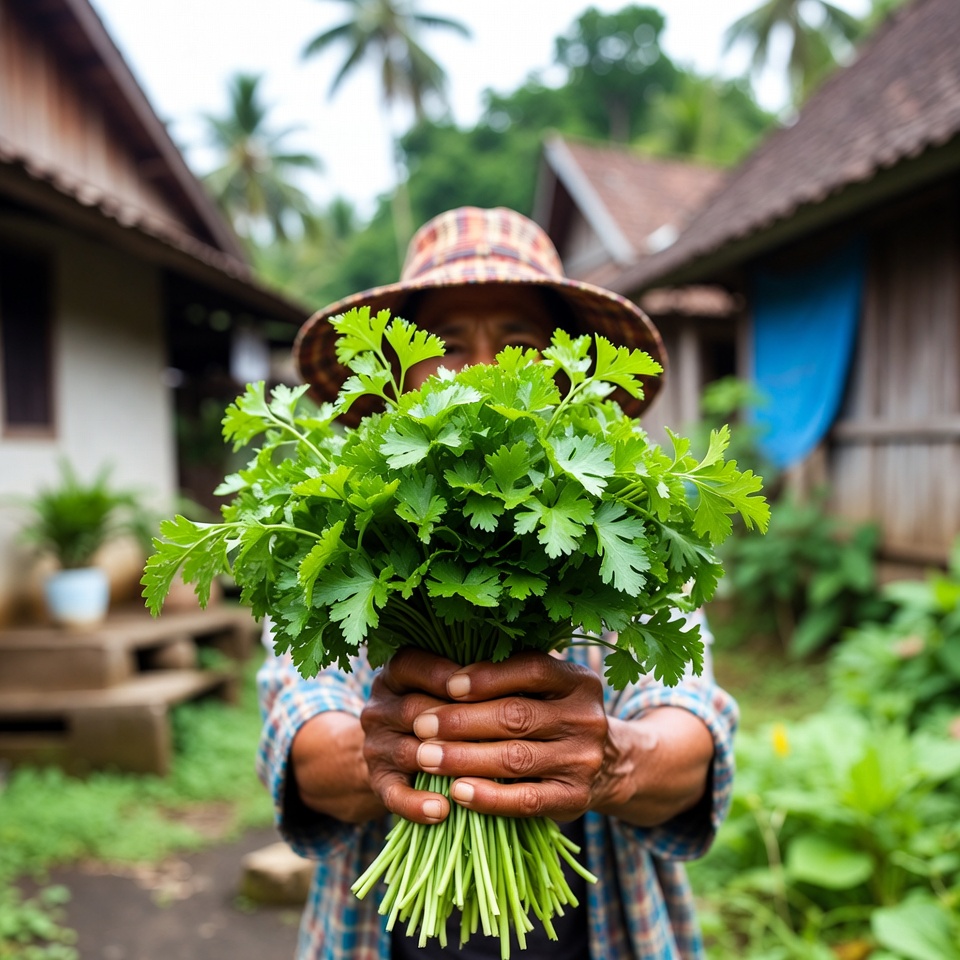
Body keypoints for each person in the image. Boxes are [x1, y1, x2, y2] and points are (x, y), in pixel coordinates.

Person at [257, 207, 737, 960]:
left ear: (566, 374)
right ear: (393, 381)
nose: (481, 369)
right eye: (446, 344)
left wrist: (612, 760)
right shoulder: (348, 537)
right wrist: (380, 750)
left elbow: (691, 724)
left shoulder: (617, 522)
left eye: (519, 340)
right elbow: (301, 724)